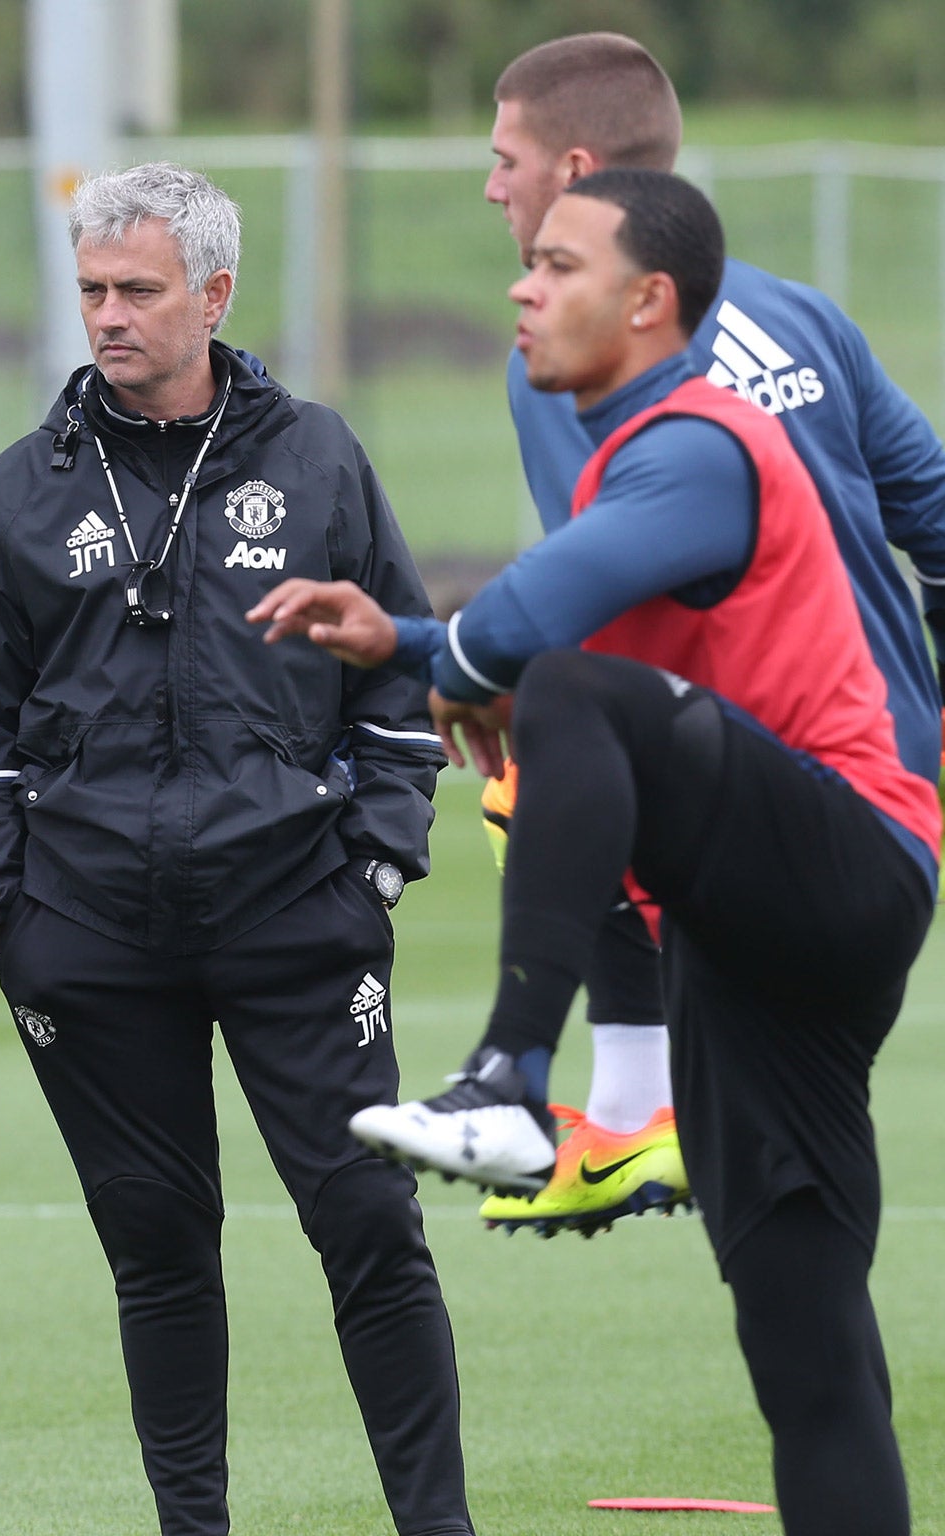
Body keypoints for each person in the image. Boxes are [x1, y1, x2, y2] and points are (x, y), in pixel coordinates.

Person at [256, 169, 938, 1536]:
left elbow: (536, 622)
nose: (522, 281)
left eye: (558, 263)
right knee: (808, 1357)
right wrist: (409, 647)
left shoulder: (698, 437)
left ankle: (510, 1077)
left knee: (568, 683)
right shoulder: (638, 449)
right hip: (750, 934)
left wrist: (441, 652)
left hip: (850, 860)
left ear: (649, 301)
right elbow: (513, 641)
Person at [0, 162, 470, 1536]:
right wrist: (16, 914)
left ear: (216, 295)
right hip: (91, 935)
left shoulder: (319, 460)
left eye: (138, 291)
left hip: (300, 914)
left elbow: (397, 676)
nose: (106, 317)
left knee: (369, 1230)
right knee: (160, 1253)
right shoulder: (21, 491)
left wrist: (380, 861)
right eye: (92, 291)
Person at [470, 31, 945, 1235]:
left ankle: (627, 1111)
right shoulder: (801, 318)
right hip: (886, 780)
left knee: (557, 756)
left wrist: (454, 669)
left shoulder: (590, 353)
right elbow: (935, 515)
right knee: (799, 1199)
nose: (491, 188)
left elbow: (594, 608)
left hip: (760, 783)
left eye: (503, 158)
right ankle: (638, 1114)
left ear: (572, 170)